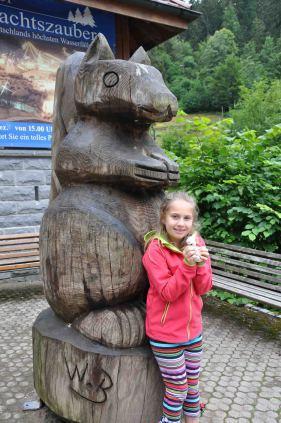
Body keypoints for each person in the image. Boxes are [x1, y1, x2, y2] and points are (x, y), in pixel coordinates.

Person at [142, 192, 213, 423]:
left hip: (193, 332)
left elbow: (204, 288)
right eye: (175, 216)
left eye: (186, 218)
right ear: (163, 217)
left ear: (193, 221)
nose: (181, 223)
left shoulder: (197, 242)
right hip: (166, 336)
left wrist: (200, 263)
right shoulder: (155, 249)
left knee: (193, 388)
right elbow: (167, 293)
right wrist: (187, 264)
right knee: (178, 390)